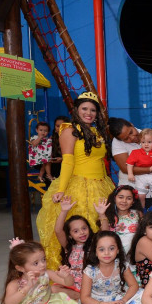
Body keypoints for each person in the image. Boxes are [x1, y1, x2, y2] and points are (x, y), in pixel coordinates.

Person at [37, 92, 115, 271]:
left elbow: (99, 161)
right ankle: (77, 269)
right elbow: (68, 161)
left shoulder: (97, 131)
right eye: (84, 109)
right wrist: (61, 189)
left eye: (93, 110)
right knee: (80, 229)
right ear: (76, 110)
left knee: (102, 227)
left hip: (101, 184)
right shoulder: (69, 130)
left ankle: (101, 270)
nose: (89, 113)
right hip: (79, 186)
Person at [80, 231, 144, 304]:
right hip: (97, 303)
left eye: (111, 248)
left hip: (118, 299)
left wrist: (123, 301)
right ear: (95, 252)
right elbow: (84, 298)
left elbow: (134, 285)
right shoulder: (90, 270)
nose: (107, 253)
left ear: (118, 250)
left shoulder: (121, 265)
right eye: (101, 249)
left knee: (144, 295)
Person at [52, 196, 96, 300]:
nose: (81, 232)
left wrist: (102, 215)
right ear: (70, 235)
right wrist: (64, 211)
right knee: (49, 288)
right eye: (76, 231)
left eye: (84, 228)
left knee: (54, 291)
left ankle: (81, 297)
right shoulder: (69, 246)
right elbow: (58, 230)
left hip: (85, 284)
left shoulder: (94, 244)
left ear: (89, 229)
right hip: (70, 282)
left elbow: (106, 233)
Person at [126, 128, 152, 211]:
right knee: (141, 195)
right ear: (140, 142)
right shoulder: (135, 152)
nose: (146, 144)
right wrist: (130, 174)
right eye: (143, 142)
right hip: (141, 177)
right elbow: (129, 164)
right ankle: (142, 208)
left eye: (149, 142)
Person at [97, 186, 143, 257]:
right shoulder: (109, 215)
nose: (124, 201)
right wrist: (102, 215)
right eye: (121, 197)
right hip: (115, 253)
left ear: (133, 201)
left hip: (135, 252)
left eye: (129, 198)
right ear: (114, 198)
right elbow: (105, 235)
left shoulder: (137, 213)